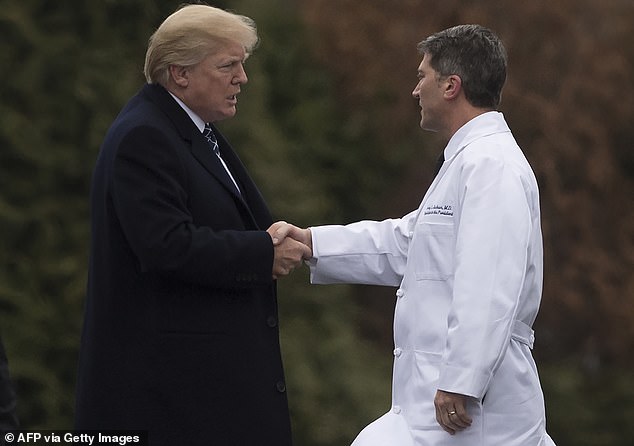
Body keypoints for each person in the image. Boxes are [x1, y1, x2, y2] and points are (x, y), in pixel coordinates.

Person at [274, 25, 556, 445]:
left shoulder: (491, 166)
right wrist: (315, 243)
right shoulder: (467, 162)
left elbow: (489, 280)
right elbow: (409, 244)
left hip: (474, 409)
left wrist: (463, 378)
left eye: (422, 76)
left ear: (450, 86)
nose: (414, 90)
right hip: (434, 404)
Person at [75, 5, 309, 445]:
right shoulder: (144, 137)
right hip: (170, 405)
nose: (243, 78)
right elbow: (165, 245)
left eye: (242, 64)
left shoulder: (192, 129)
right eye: (228, 65)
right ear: (179, 73)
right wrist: (264, 253)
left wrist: (270, 235)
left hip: (202, 398)